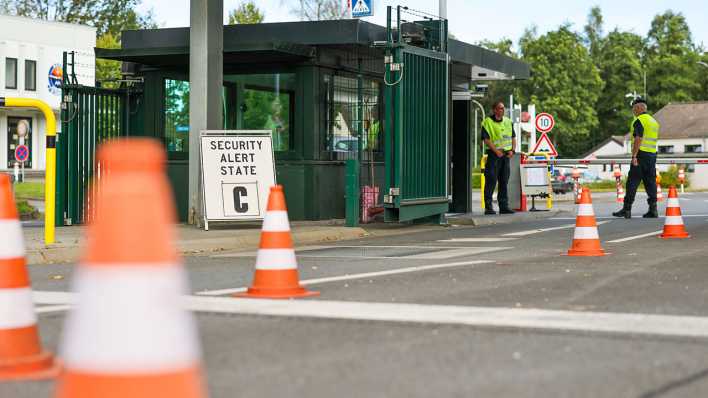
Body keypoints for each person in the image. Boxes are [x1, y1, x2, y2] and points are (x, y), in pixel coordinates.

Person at [613, 98, 659, 219]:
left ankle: (626, 209)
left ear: (639, 108)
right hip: (652, 155)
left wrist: (634, 156)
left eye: (634, 108)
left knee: (632, 182)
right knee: (650, 182)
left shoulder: (639, 121)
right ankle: (653, 210)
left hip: (640, 155)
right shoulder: (653, 121)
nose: (633, 111)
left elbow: (638, 138)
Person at [482, 100, 516, 215]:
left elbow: (513, 137)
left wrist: (512, 150)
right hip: (494, 156)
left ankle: (504, 207)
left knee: (504, 181)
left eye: (503, 108)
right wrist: (496, 151)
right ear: (494, 110)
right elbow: (486, 139)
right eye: (500, 108)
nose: (502, 110)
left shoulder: (508, 121)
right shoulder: (487, 122)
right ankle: (488, 207)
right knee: (491, 181)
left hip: (506, 156)